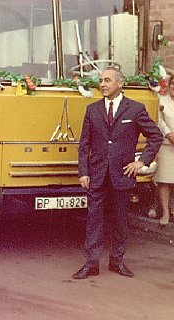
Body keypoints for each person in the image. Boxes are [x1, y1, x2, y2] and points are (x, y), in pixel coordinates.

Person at [72, 67, 163, 280]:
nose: (102, 84)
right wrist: (83, 172)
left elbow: (155, 136)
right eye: (101, 80)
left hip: (122, 175)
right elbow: (84, 144)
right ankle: (91, 263)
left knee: (121, 220)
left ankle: (117, 261)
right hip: (97, 175)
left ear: (120, 84)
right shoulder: (92, 110)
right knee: (94, 220)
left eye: (107, 80)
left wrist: (141, 162)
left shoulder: (135, 109)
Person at [153, 74, 174, 227]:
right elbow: (158, 119)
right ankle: (165, 212)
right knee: (164, 181)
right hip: (166, 145)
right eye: (172, 84)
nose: (173, 87)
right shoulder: (161, 100)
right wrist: (169, 133)